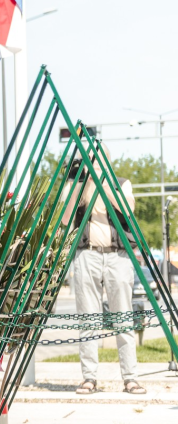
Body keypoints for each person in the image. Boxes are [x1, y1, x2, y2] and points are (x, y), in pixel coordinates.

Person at [65, 146, 145, 396]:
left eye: (100, 160)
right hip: (86, 254)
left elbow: (126, 209)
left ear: (108, 162)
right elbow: (67, 217)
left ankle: (130, 378)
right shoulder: (77, 185)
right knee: (88, 318)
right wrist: (82, 184)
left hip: (117, 255)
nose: (95, 165)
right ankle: (89, 378)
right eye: (91, 161)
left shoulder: (121, 183)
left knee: (122, 316)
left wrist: (103, 181)